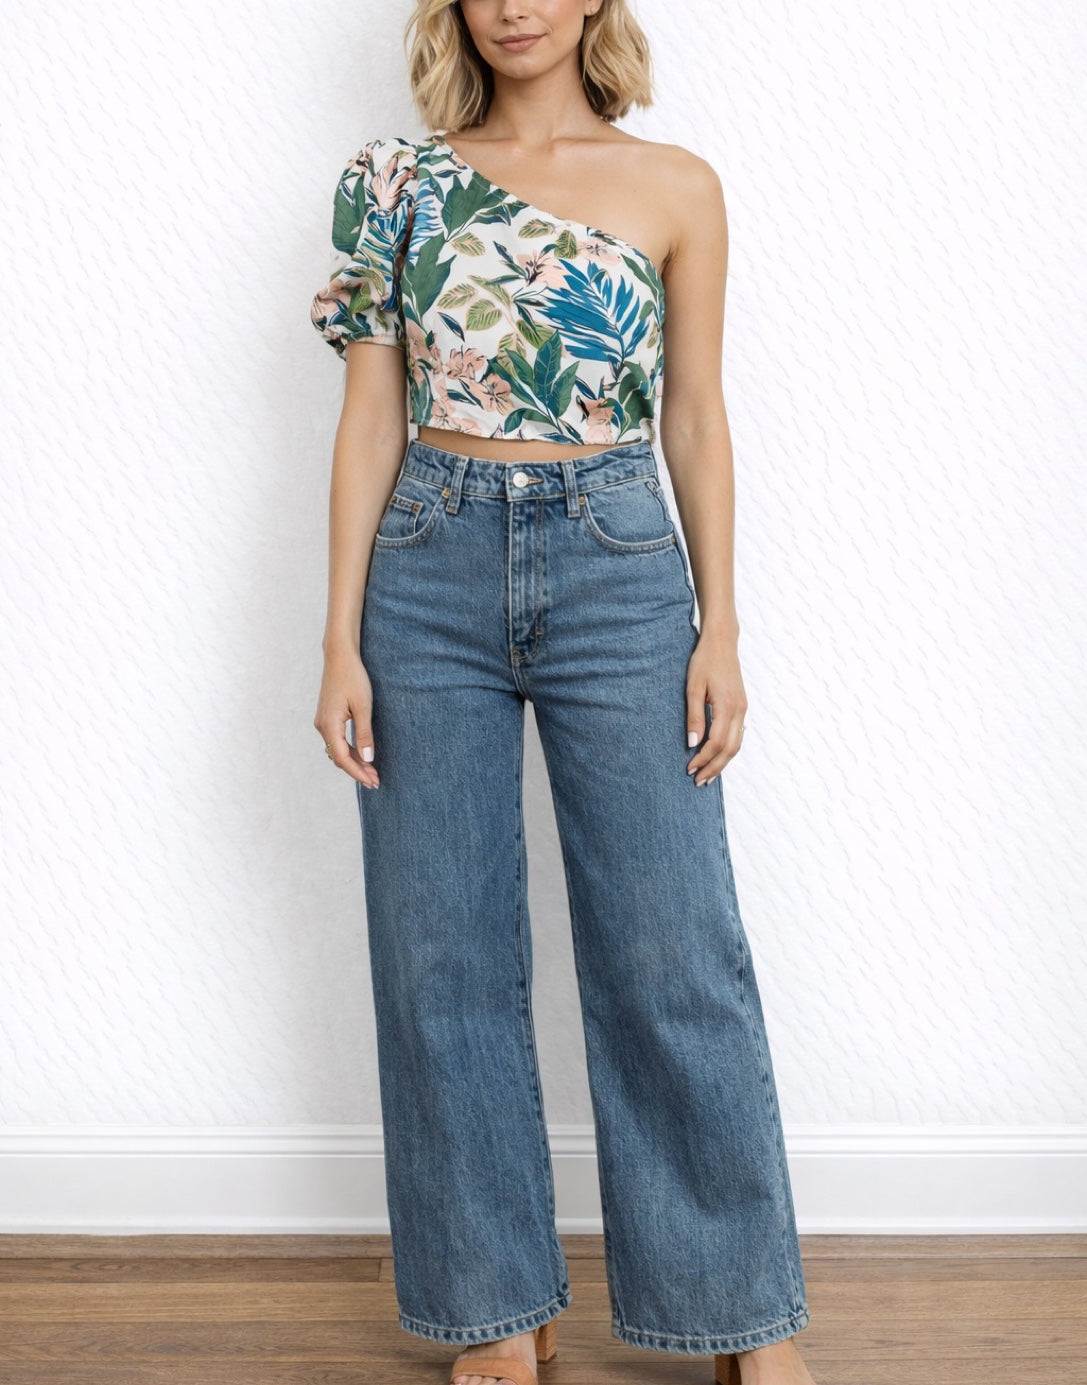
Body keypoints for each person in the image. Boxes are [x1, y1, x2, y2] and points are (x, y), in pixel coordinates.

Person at [310, 3, 818, 1383]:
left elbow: (695, 415)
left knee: (671, 945)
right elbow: (370, 411)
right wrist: (339, 633)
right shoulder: (393, 182)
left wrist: (720, 628)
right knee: (440, 954)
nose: (515, 4)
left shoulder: (677, 187)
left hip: (619, 562)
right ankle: (496, 1310)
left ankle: (740, 1314)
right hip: (426, 565)